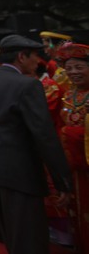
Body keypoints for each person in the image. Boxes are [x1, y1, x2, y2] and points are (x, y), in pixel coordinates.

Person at [0, 34, 72, 254]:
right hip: (20, 173)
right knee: (29, 238)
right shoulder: (28, 85)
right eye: (35, 55)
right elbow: (44, 135)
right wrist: (62, 180)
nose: (39, 61)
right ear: (21, 57)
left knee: (12, 235)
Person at [56, 42, 89, 251]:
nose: (73, 73)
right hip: (75, 169)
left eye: (79, 67)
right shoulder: (68, 95)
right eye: (69, 69)